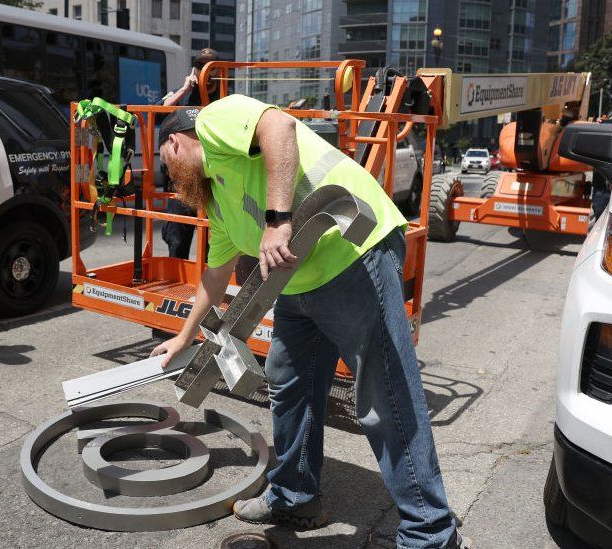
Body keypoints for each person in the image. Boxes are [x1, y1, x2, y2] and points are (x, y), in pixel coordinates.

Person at [149, 96, 466, 549]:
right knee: (289, 384)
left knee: (385, 394)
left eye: (164, 159)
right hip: (297, 285)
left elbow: (279, 126)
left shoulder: (215, 122)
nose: (167, 173)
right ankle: (295, 497)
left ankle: (430, 533)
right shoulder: (217, 201)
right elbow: (215, 276)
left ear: (176, 142)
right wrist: (182, 337)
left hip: (352, 253)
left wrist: (277, 222)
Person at [158, 48, 220, 260]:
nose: (205, 71)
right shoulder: (183, 92)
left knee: (213, 245)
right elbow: (159, 111)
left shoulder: (226, 95)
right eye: (200, 65)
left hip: (215, 180)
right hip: (182, 179)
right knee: (177, 239)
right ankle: (177, 284)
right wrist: (185, 89)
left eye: (210, 66)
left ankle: (207, 287)